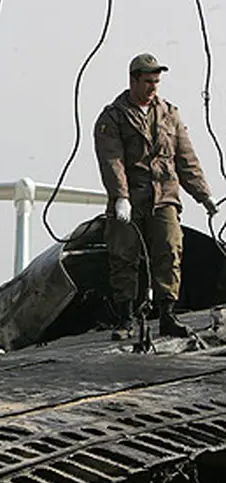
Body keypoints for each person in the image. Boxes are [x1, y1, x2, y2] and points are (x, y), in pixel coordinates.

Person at [94, 52, 220, 341]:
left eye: (157, 82)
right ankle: (125, 318)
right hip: (131, 199)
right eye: (148, 81)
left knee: (169, 251)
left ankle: (167, 314)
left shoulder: (169, 114)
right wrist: (120, 197)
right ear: (133, 80)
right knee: (123, 257)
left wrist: (204, 195)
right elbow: (112, 160)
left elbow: (185, 158)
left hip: (164, 197)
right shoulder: (113, 117)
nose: (153, 87)